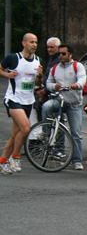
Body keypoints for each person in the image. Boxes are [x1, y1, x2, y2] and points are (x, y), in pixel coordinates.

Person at [0, 33, 42, 174]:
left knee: (15, 134)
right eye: (31, 42)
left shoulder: (38, 61)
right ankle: (15, 157)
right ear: (24, 43)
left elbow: (37, 84)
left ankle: (2, 161)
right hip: (14, 99)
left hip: (28, 101)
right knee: (25, 128)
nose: (34, 45)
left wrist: (39, 76)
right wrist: (7, 75)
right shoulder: (13, 58)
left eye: (36, 42)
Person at [42, 44, 87, 170]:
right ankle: (45, 133)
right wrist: (54, 86)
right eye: (59, 54)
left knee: (76, 133)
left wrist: (76, 85)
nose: (60, 56)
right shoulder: (55, 68)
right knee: (46, 107)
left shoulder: (77, 66)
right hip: (59, 100)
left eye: (63, 54)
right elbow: (48, 83)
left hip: (74, 104)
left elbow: (82, 80)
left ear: (70, 55)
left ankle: (77, 160)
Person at [32, 37, 61, 124]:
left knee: (53, 118)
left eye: (52, 47)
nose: (49, 49)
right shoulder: (51, 59)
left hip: (54, 94)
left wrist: (45, 90)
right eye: (48, 47)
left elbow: (57, 79)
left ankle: (46, 132)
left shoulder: (59, 60)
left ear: (58, 48)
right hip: (48, 91)